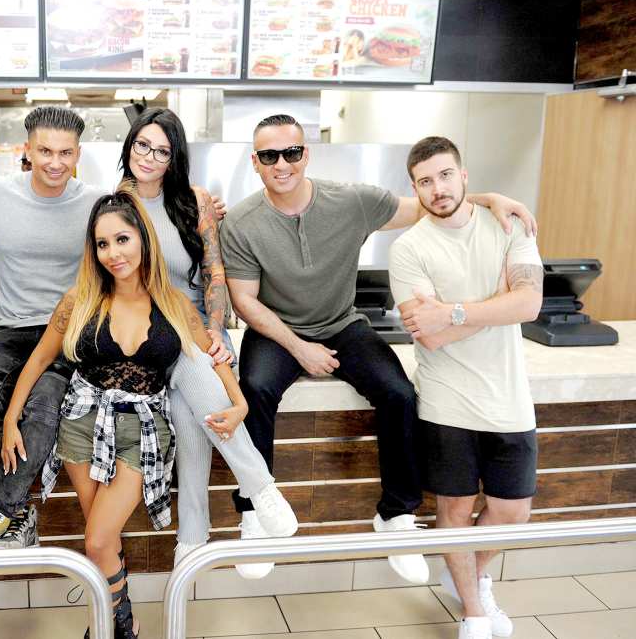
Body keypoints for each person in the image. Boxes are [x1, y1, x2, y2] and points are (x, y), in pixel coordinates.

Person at [220, 114, 538, 582]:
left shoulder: (349, 201)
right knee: (255, 389)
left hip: (344, 324)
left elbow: (429, 204)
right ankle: (254, 514)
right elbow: (244, 302)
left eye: (291, 152)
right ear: (255, 162)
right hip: (277, 332)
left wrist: (491, 199)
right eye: (269, 156)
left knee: (399, 393)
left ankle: (395, 514)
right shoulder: (244, 223)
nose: (281, 164)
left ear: (306, 154)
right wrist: (301, 348)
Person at [9, 188, 248, 638]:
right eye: (102, 244)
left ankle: (116, 615)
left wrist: (240, 403)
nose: (113, 253)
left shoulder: (174, 303)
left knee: (98, 537)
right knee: (103, 536)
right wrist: (9, 421)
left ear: (142, 239)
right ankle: (120, 621)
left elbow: (213, 354)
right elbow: (38, 360)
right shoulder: (78, 300)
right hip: (81, 423)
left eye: (122, 239)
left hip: (145, 430)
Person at [119, 108, 296, 574]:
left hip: (200, 331)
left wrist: (217, 329)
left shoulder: (194, 201)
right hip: (147, 331)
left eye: (162, 149)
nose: (150, 157)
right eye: (143, 145)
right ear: (129, 146)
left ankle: (192, 539)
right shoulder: (116, 206)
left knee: (189, 407)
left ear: (174, 156)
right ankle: (259, 486)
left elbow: (215, 272)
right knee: (190, 365)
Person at [0, 106, 106, 587]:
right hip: (11, 329)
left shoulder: (95, 201)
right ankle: (18, 514)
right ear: (26, 152)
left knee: (44, 404)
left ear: (77, 155)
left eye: (66, 153)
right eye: (45, 152)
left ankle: (0, 512)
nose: (55, 163)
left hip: (72, 333)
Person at [389, 137, 542, 639]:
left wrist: (457, 310)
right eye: (425, 181)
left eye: (445, 175)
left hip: (508, 396)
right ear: (414, 188)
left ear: (464, 176)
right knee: (453, 510)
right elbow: (428, 336)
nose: (438, 189)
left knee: (512, 509)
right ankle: (474, 612)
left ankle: (470, 576)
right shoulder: (408, 249)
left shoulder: (508, 224)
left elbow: (529, 305)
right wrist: (499, 300)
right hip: (446, 398)